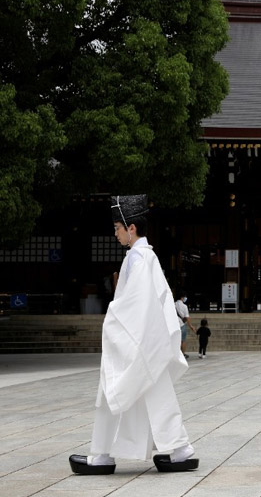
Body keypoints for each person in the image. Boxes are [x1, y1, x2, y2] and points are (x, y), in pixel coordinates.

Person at [69, 195, 198, 475]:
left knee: (116, 386)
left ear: (131, 228)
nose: (115, 234)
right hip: (146, 338)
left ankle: (104, 455)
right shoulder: (142, 256)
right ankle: (179, 450)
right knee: (155, 392)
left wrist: (115, 319)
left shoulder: (140, 257)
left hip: (138, 337)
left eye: (117, 228)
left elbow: (136, 302)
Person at [174, 293, 195, 358]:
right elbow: (187, 317)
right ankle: (182, 354)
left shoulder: (173, 304)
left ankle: (177, 353)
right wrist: (191, 326)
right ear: (182, 297)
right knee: (183, 340)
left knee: (176, 340)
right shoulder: (184, 306)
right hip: (182, 324)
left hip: (174, 324)